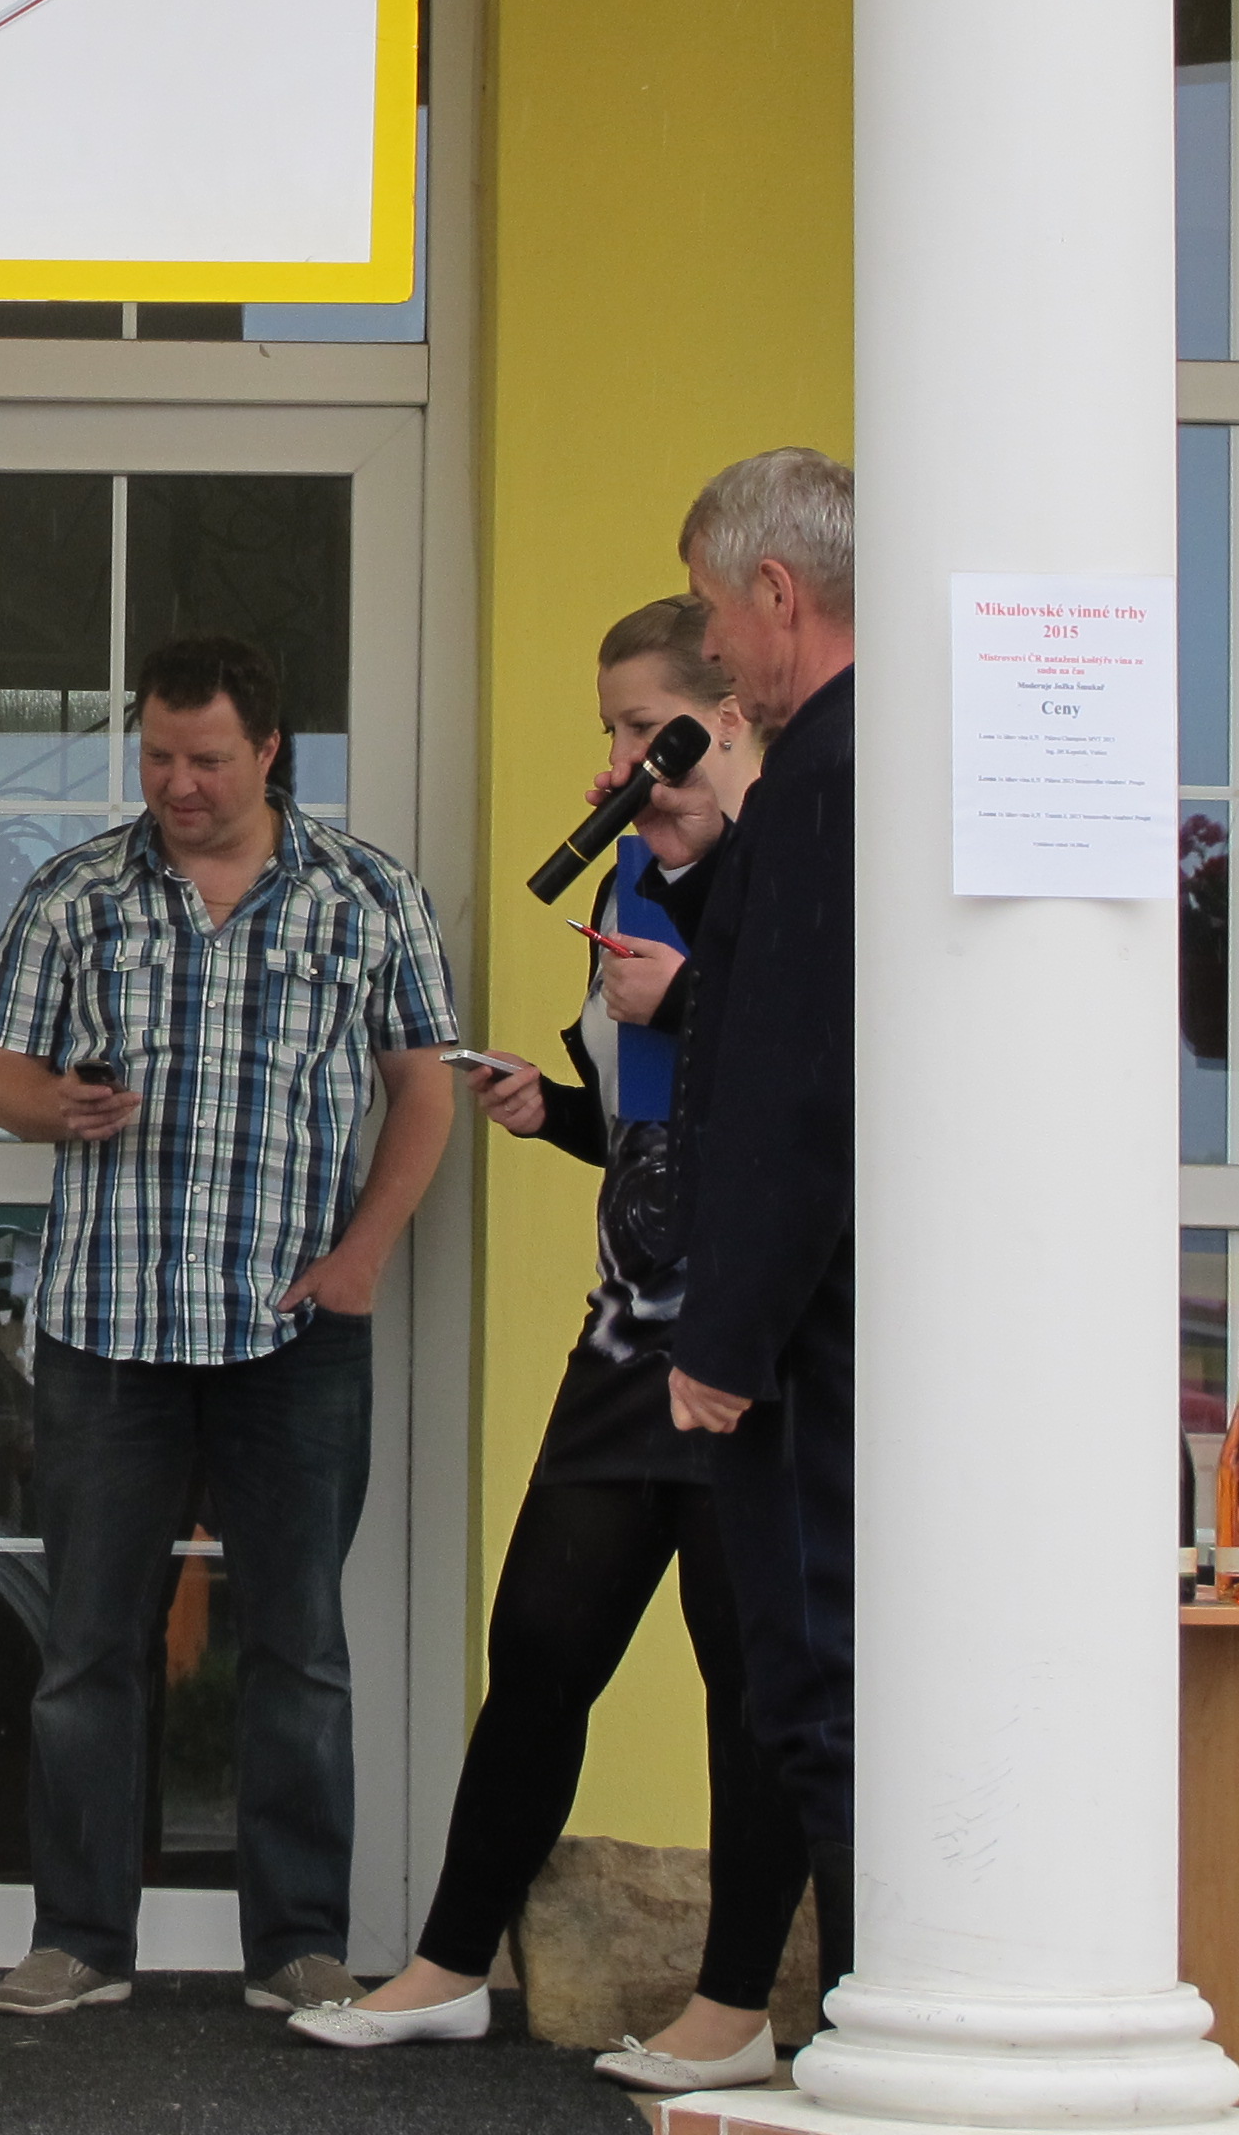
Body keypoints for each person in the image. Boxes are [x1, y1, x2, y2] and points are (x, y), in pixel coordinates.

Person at [294, 597, 806, 2093]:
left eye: (641, 729)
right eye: (610, 732)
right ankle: (450, 1968)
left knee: (745, 1685)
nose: (616, 763)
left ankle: (735, 2006)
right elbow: (661, 1126)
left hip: (751, 1352)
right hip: (626, 1342)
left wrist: (691, 990)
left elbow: (812, 1072)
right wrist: (556, 1110)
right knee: (538, 1649)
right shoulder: (642, 878)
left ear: (720, 720)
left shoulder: (789, 865)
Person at [0, 635, 463, 2022]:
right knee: (89, 1646)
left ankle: (296, 1943)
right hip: (110, 1321)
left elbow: (425, 1087)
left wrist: (363, 1256)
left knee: (297, 1646)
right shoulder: (75, 892)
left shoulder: (367, 895)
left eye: (208, 760)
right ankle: (79, 1939)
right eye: (158, 758)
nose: (179, 784)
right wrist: (52, 1107)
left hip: (292, 1325)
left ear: (271, 751)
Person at [645, 447, 859, 1996]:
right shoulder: (855, 767)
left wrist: (722, 1342)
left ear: (777, 594)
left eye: (716, 613)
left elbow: (793, 1085)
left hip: (809, 1338)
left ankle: (870, 2029)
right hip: (843, 1316)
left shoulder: (829, 781)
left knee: (818, 1696)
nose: (714, 652)